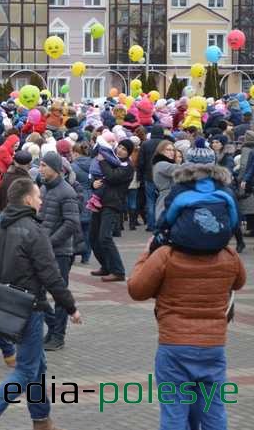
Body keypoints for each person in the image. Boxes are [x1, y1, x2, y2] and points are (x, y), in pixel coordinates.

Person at [0, 178, 82, 430]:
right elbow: (51, 275)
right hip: (31, 307)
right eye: (38, 197)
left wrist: (5, 290)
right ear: (27, 199)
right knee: (26, 369)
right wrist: (70, 307)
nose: (41, 201)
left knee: (37, 365)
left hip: (7, 306)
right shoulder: (34, 231)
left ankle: (41, 420)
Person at [129, 238, 245, 430]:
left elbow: (136, 290)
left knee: (174, 413)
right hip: (213, 346)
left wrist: (146, 254)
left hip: (174, 346)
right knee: (213, 411)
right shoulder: (228, 255)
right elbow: (240, 282)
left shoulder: (166, 255)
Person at [38, 152, 82, 351]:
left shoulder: (67, 192)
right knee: (39, 292)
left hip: (61, 251)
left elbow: (71, 223)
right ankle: (52, 330)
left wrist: (50, 241)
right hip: (44, 249)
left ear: (55, 168)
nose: (40, 169)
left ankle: (58, 335)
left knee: (59, 293)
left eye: (43, 165)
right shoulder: (44, 188)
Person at [89, 139, 134, 282]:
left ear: (129, 153)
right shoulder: (111, 160)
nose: (120, 150)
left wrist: (102, 162)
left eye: (124, 149)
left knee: (105, 237)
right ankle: (106, 266)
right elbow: (99, 177)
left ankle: (118, 271)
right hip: (99, 202)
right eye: (119, 147)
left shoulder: (127, 167)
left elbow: (112, 176)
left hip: (112, 204)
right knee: (93, 237)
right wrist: (93, 184)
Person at [137, 126, 167, 232]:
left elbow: (140, 162)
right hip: (163, 176)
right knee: (162, 200)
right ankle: (161, 223)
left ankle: (151, 225)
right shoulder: (165, 144)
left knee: (150, 201)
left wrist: (139, 176)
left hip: (149, 176)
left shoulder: (145, 144)